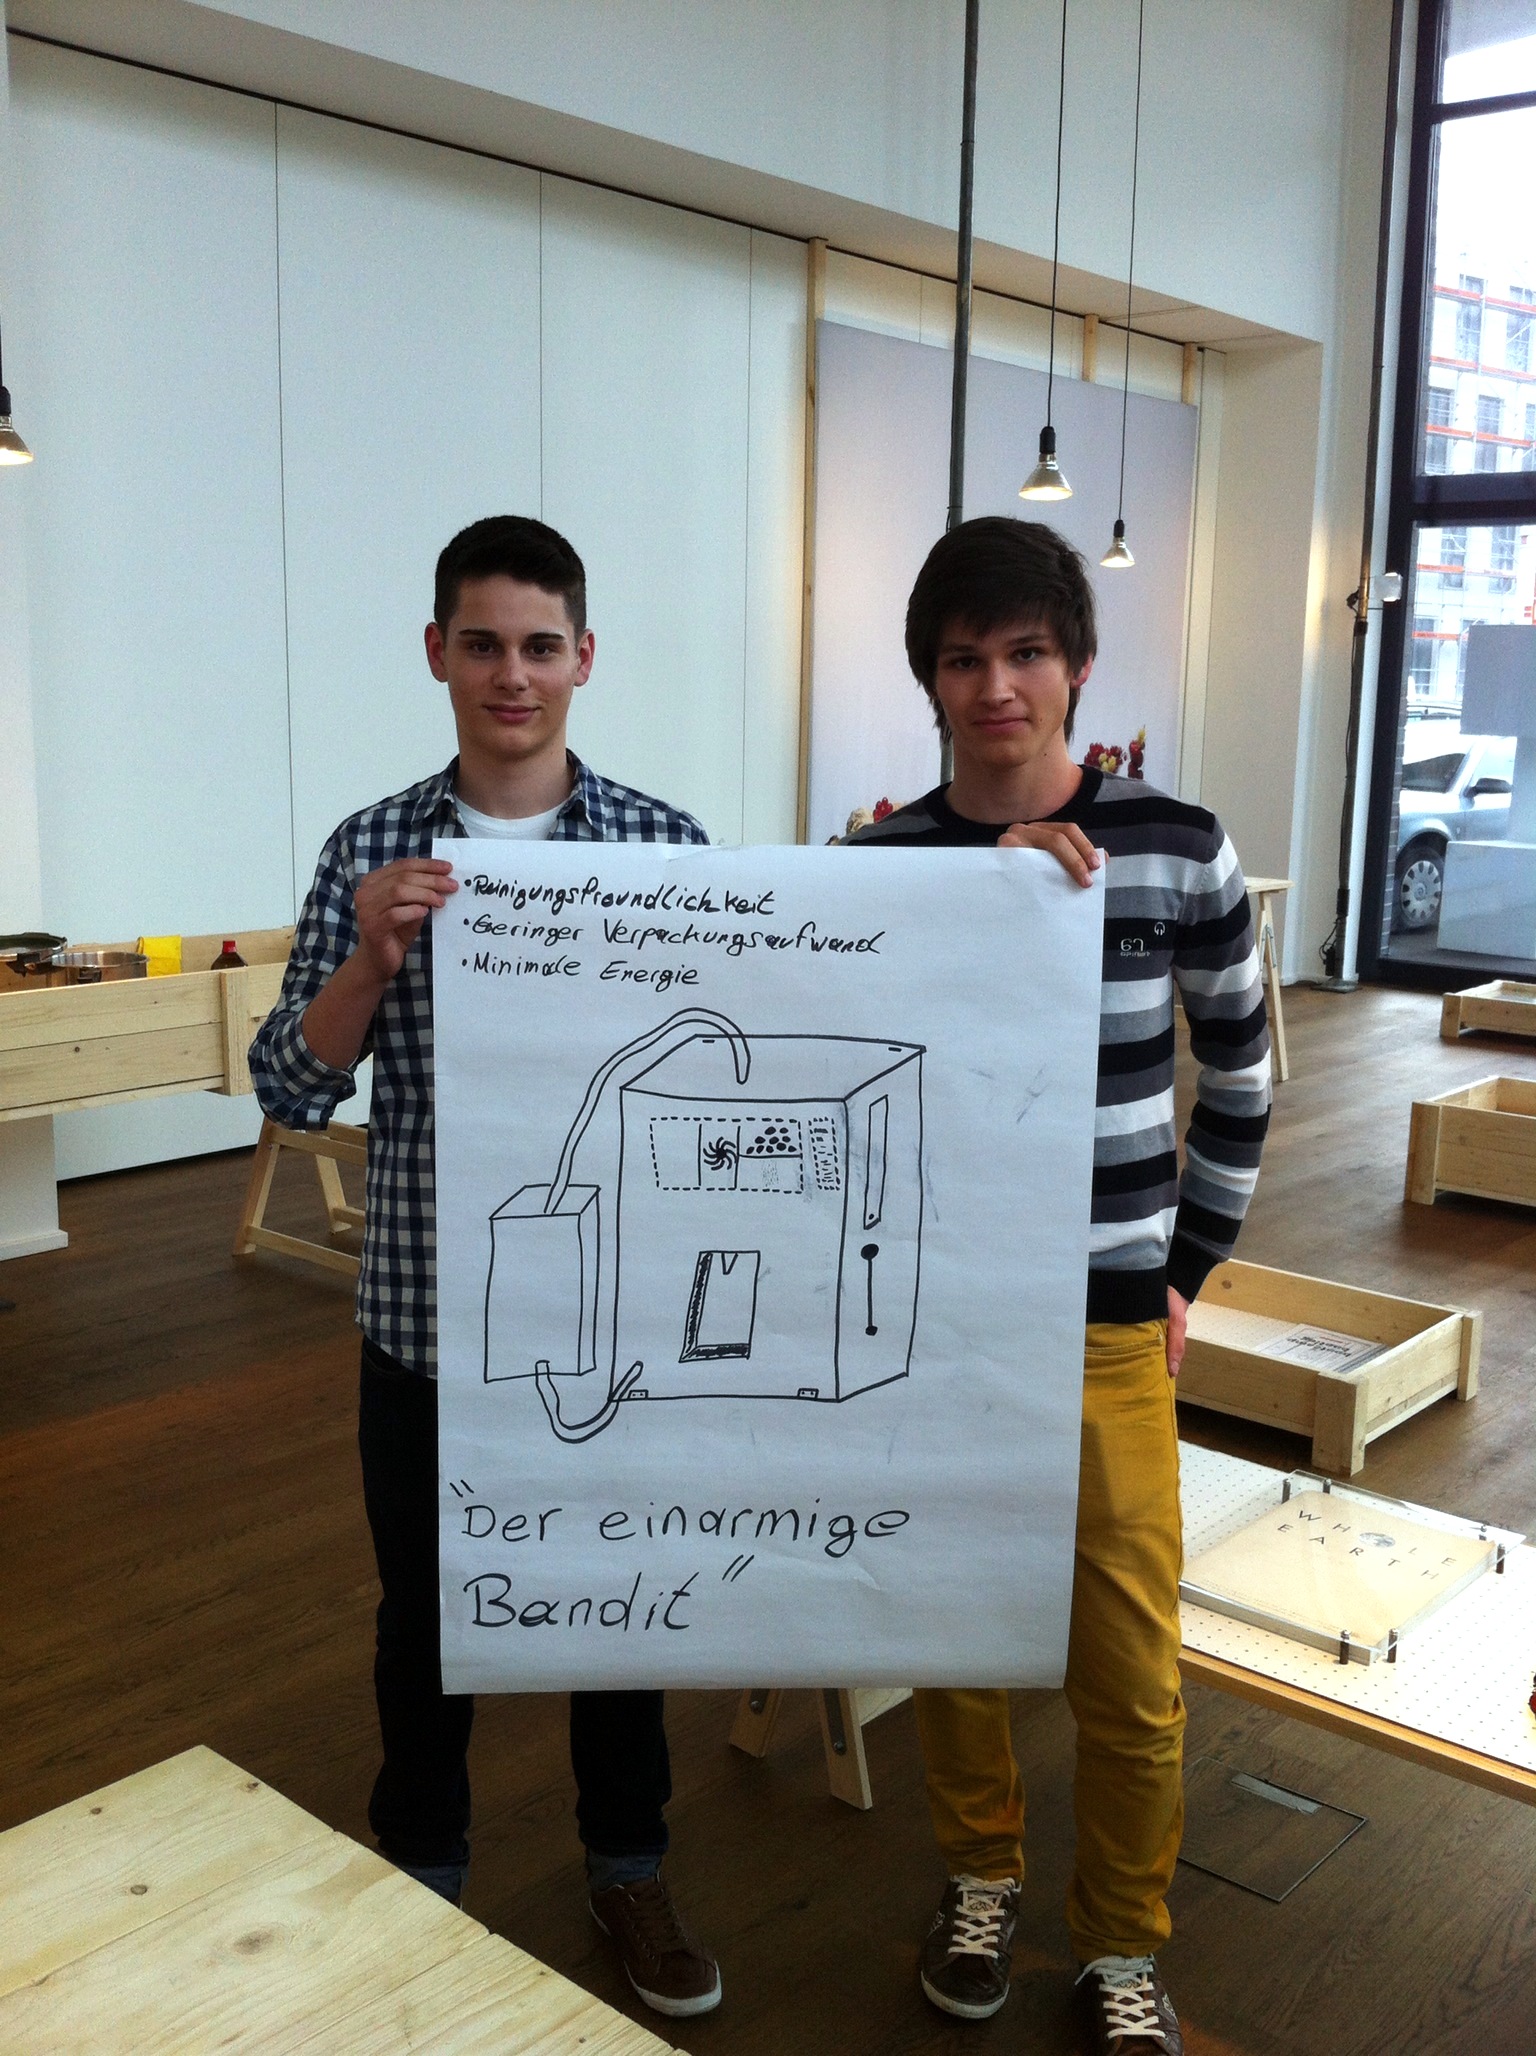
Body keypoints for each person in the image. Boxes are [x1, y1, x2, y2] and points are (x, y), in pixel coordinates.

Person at [249, 514, 722, 2021]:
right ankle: (424, 1868)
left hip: (615, 1319)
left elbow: (728, 1054)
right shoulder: (371, 848)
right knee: (422, 1613)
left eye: (538, 646)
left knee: (619, 1601)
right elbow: (288, 1086)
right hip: (426, 1315)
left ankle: (629, 1864)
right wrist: (368, 962)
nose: (511, 674)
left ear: (583, 659)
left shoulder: (664, 849)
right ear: (437, 654)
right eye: (482, 644)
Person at [847, 516, 1271, 2055]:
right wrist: (981, 907)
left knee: (1132, 1673)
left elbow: (1243, 1074)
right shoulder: (880, 866)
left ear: (1079, 665)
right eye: (964, 659)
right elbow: (841, 1067)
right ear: (929, 679)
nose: (996, 688)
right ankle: (980, 1878)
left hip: (1104, 1323)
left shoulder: (1178, 842)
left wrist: (1191, 1266)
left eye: (1026, 653)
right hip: (937, 1321)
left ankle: (1123, 1943)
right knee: (955, 1643)